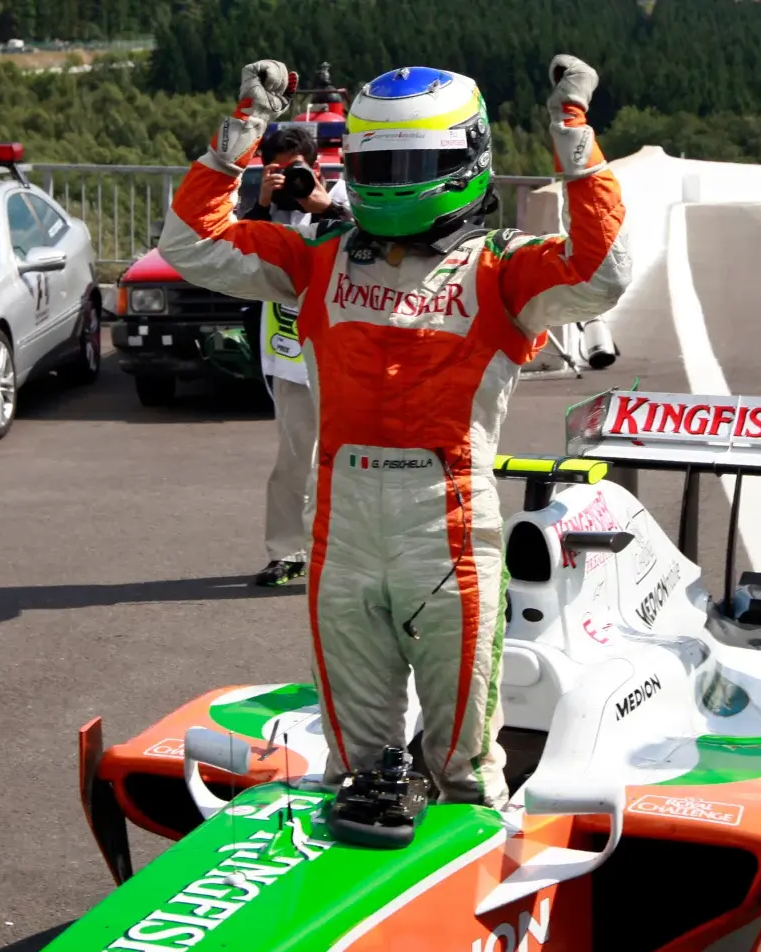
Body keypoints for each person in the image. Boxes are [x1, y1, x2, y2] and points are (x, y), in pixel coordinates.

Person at [159, 56, 629, 807]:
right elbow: (190, 244)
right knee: (353, 768)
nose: (397, 176)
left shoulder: (502, 266)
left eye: (418, 162)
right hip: (339, 528)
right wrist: (242, 129)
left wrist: (572, 135)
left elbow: (602, 273)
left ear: (468, 160)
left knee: (463, 770)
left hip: (448, 528)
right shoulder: (319, 256)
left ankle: (480, 894)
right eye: (378, 163)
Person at [241, 124, 352, 588]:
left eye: (296, 170)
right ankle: (286, 552)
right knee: (292, 461)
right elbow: (242, 249)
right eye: (278, 172)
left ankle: (343, 555)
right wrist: (265, 201)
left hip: (340, 355)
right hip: (287, 353)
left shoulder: (346, 197)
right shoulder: (268, 212)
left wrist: (327, 207)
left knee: (347, 460)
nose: (290, 180)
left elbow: (378, 243)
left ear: (318, 166)